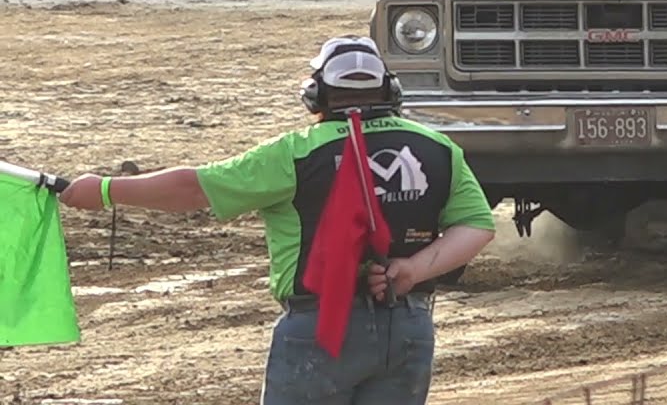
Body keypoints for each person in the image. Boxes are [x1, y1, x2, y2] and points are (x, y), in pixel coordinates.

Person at [59, 35, 497, 405]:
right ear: (391, 91)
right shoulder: (438, 148)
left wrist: (104, 190)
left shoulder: (296, 152)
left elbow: (194, 188)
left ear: (316, 95)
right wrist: (413, 269)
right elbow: (477, 226)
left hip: (321, 328)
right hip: (407, 327)